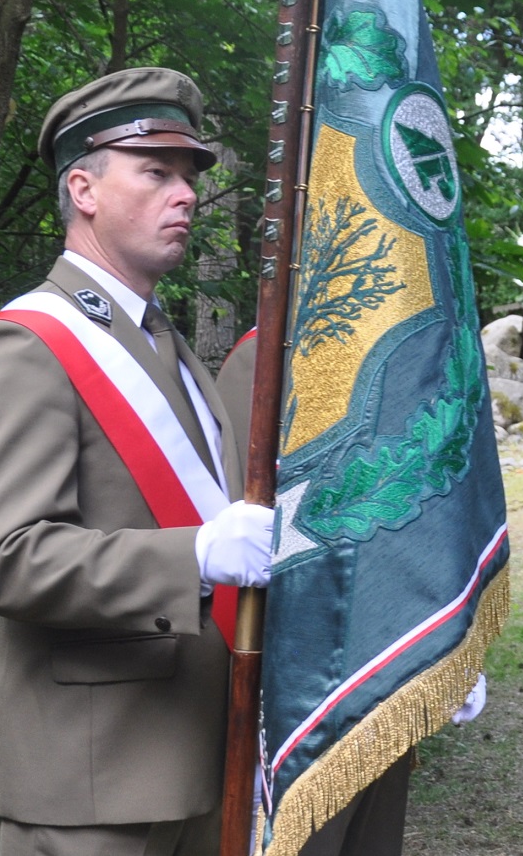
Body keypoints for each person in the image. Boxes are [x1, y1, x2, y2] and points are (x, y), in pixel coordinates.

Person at [0, 67, 274, 856]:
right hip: (92, 781)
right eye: (157, 172)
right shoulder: (25, 344)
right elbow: (9, 557)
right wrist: (194, 554)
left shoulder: (167, 345)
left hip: (203, 753)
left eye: (190, 176)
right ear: (84, 189)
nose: (187, 194)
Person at [214, 333, 488, 856]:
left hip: (387, 660)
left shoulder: (409, 348)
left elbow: (422, 515)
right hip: (297, 678)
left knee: (372, 839)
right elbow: (236, 522)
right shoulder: (269, 353)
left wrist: (450, 645)